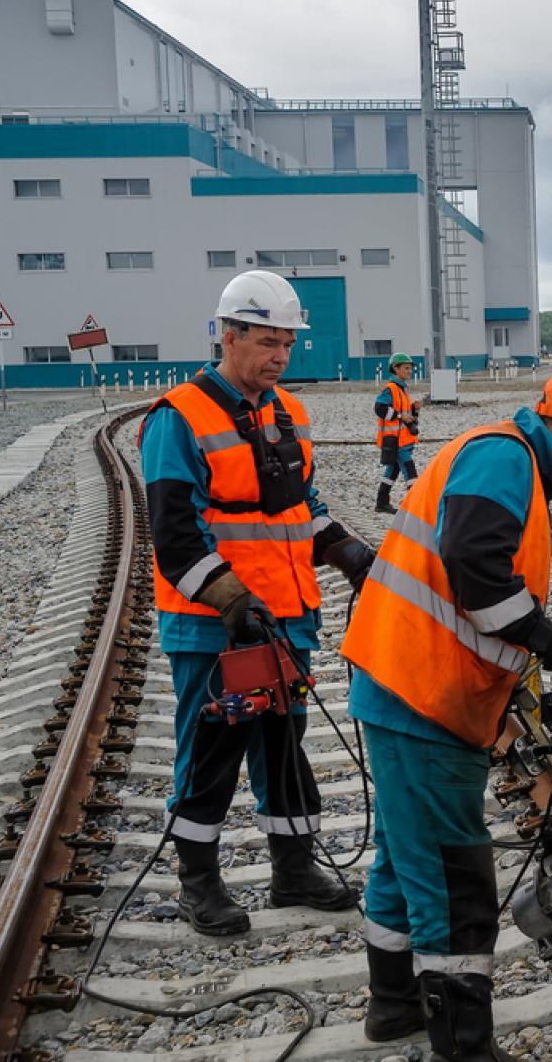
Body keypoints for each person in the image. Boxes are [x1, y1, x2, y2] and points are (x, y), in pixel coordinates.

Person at [341, 372, 552, 1061]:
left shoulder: (506, 461)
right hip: (423, 698)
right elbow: (473, 563)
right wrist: (542, 632)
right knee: (455, 879)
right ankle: (464, 1047)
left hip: (408, 687)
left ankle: (393, 1006)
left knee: (402, 862)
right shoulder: (504, 456)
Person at [138, 269, 374, 936]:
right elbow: (175, 538)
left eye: (287, 345)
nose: (279, 356)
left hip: (287, 618)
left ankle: (293, 870)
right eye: (267, 342)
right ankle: (199, 884)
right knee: (212, 748)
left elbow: (302, 508)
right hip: (216, 626)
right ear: (227, 335)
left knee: (281, 744)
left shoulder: (289, 413)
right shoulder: (177, 419)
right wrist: (234, 601)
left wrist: (349, 552)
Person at [374, 353, 421, 514]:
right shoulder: (391, 388)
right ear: (396, 368)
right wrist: (401, 415)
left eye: (410, 368)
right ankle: (415, 506)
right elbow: (379, 409)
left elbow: (406, 416)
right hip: (396, 440)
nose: (410, 371)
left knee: (392, 470)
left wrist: (414, 410)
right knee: (410, 471)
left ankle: (381, 503)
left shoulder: (402, 389)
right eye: (406, 368)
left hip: (402, 440)